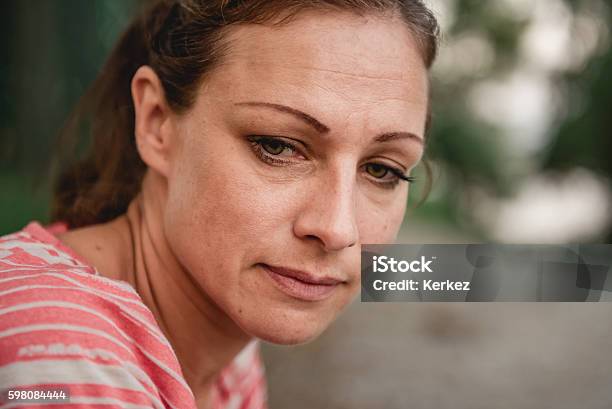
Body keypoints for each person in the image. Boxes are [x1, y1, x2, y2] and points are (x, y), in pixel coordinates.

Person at [0, 0, 439, 407]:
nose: (338, 229)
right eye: (278, 146)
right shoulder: (63, 355)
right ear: (157, 123)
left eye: (382, 170)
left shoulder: (230, 352)